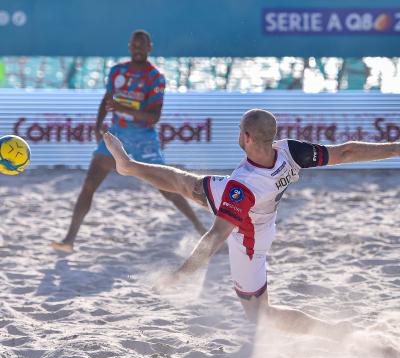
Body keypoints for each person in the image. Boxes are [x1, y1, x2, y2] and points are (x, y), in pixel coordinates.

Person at [103, 109, 400, 337]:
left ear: (246, 136)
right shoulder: (289, 151)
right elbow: (346, 151)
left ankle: (332, 332)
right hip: (258, 211)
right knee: (187, 184)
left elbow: (215, 237)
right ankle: (129, 166)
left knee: (260, 315)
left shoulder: (242, 186)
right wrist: (396, 148)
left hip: (249, 241)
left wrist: (180, 275)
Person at [51, 30, 205, 253]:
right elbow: (107, 100)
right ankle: (69, 240)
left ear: (150, 48)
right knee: (89, 184)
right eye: (135, 45)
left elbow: (153, 117)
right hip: (117, 134)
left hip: (144, 139)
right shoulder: (117, 71)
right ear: (129, 47)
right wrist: (97, 126)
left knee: (168, 189)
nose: (138, 49)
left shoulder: (155, 77)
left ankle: (202, 230)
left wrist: (122, 107)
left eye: (142, 46)